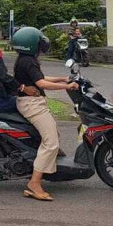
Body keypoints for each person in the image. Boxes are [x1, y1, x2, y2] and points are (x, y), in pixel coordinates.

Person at [12, 27, 79, 201]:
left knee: (53, 135)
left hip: (31, 103)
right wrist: (66, 86)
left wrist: (61, 78)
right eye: (39, 43)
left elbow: (39, 77)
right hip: (32, 104)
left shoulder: (25, 59)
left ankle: (49, 167)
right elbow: (41, 83)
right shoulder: (28, 61)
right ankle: (34, 183)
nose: (42, 46)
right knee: (51, 142)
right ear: (31, 44)